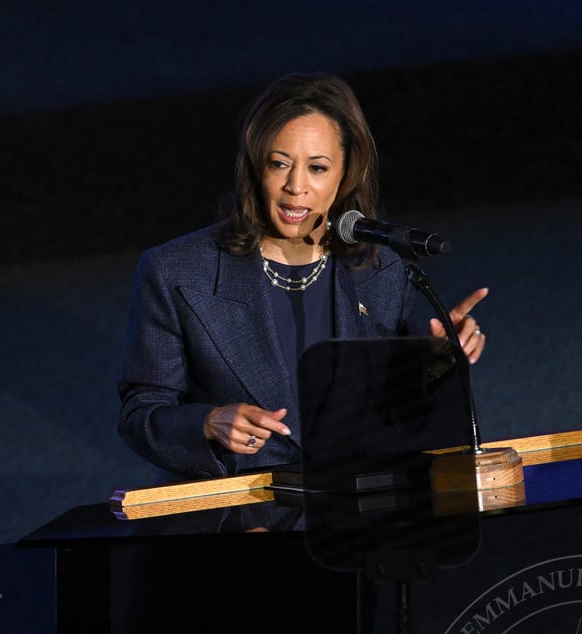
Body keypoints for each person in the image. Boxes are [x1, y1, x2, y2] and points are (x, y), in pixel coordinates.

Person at [118, 73, 487, 482]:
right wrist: (208, 421)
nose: (296, 187)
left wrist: (436, 360)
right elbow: (142, 413)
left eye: (317, 168)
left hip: (357, 512)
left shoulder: (382, 267)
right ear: (256, 169)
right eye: (279, 164)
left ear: (345, 174)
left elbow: (401, 413)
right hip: (242, 517)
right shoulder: (179, 271)